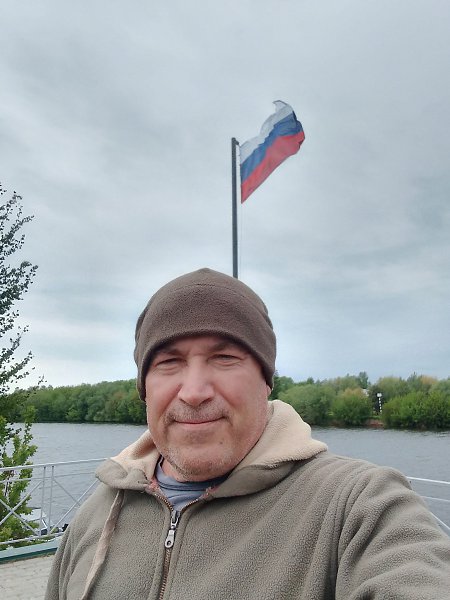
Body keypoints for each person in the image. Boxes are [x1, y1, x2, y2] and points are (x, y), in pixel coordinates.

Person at [45, 268, 450, 600]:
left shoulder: (357, 507)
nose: (194, 392)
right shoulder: (96, 514)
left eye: (224, 358)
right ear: (145, 388)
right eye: (169, 362)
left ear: (265, 381)